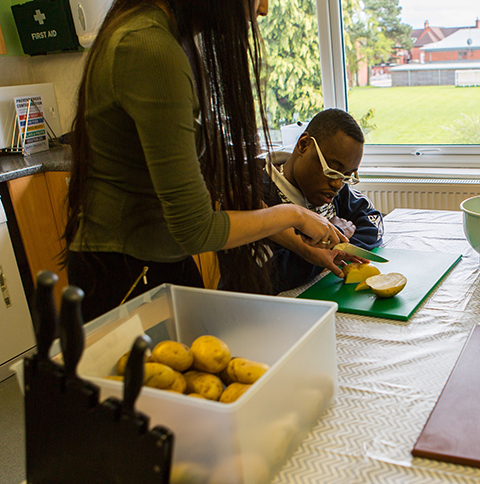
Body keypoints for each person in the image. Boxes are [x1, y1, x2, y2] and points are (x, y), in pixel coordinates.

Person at [63, 0, 346, 321]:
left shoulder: (168, 40)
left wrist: (304, 248)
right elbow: (196, 228)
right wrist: (293, 214)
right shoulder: (149, 49)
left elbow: (217, 196)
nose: (264, 9)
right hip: (124, 275)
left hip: (158, 262)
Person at [260, 109, 384, 293]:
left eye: (346, 176)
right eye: (332, 171)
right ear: (303, 145)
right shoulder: (258, 192)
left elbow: (373, 221)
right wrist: (335, 236)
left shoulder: (332, 188)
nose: (337, 184)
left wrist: (336, 250)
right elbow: (269, 274)